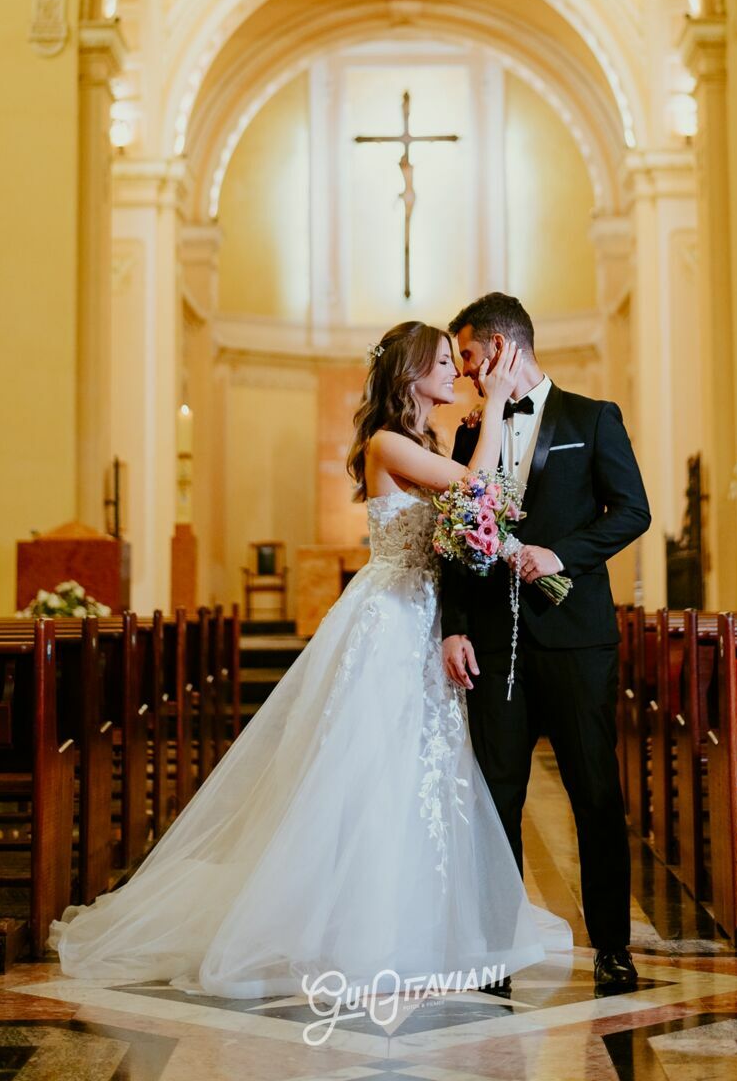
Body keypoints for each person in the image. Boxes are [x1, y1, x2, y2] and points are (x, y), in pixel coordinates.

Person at [51, 320, 570, 998]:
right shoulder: (384, 442)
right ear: (410, 372)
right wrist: (499, 401)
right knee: (369, 771)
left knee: (419, 769)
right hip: (390, 622)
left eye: (458, 361)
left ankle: (413, 918)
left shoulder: (419, 441)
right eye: (443, 362)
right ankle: (348, 929)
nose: (457, 373)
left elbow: (464, 518)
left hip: (421, 616)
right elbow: (475, 492)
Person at [442, 292, 650, 993]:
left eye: (470, 354)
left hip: (574, 642)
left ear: (502, 348)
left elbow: (632, 511)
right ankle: (495, 952)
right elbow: (453, 543)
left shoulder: (592, 419)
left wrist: (563, 555)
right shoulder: (472, 431)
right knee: (496, 797)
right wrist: (453, 627)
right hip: (494, 645)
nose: (466, 371)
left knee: (594, 795)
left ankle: (612, 946)